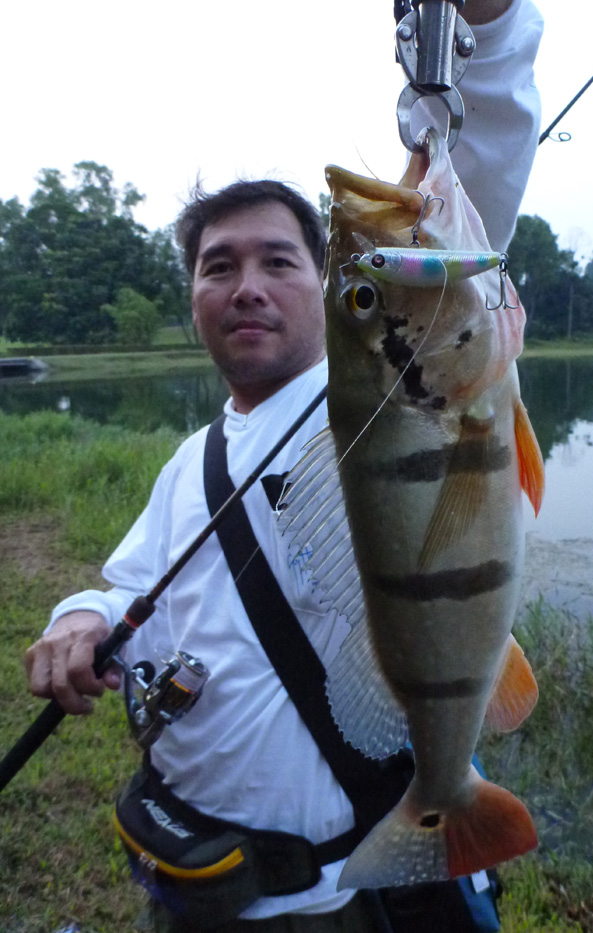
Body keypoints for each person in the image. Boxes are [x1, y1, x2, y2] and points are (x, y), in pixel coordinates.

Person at [24, 2, 544, 930]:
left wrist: (489, 30)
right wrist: (82, 616)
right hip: (193, 881)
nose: (247, 286)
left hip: (331, 898)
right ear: (192, 297)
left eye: (280, 261)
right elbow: (137, 579)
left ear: (322, 286)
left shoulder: (392, 389)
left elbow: (480, 168)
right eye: (218, 267)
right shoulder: (194, 458)